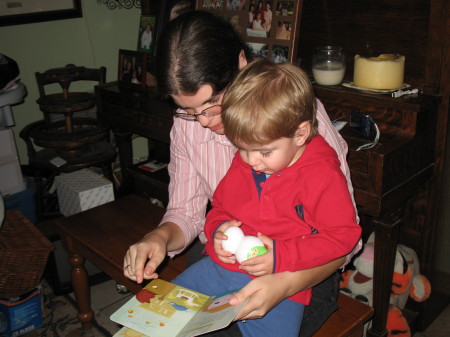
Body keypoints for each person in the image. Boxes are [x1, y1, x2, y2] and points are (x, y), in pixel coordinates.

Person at [124, 11, 361, 337]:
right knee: (158, 321)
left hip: (305, 271)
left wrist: (283, 283)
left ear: (240, 63)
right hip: (226, 260)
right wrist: (161, 237)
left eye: (213, 103)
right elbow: (193, 210)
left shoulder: (293, 116)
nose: (203, 121)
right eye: (189, 111)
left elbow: (344, 238)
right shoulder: (199, 131)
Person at [168, 58, 362, 337]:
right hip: (221, 268)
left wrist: (282, 257)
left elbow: (342, 236)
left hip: (281, 286)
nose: (251, 161)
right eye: (243, 148)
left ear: (300, 133)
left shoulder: (322, 175)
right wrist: (217, 229)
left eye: (264, 152)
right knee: (165, 311)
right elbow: (220, 207)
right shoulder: (247, 158)